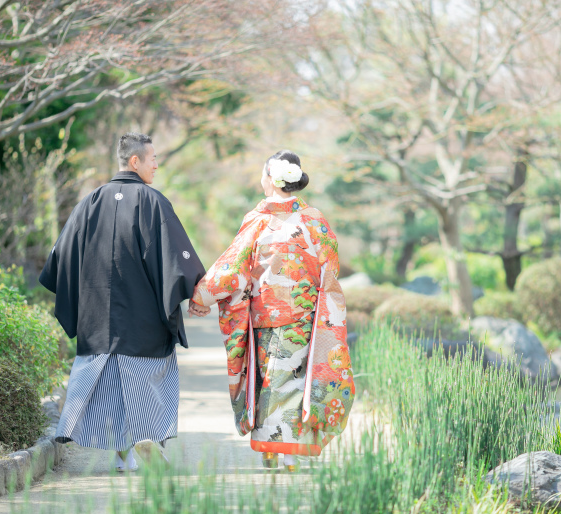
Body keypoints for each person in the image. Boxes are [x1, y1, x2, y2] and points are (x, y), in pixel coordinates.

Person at [40, 132, 206, 472]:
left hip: (97, 316)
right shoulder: (153, 201)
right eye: (153, 158)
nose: (157, 164)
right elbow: (177, 258)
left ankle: (123, 452)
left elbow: (60, 258)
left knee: (108, 385)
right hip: (143, 316)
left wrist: (82, 298)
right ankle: (145, 442)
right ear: (135, 161)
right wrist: (196, 291)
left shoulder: (89, 202)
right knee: (145, 379)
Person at [188, 150, 354, 472]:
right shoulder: (315, 220)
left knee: (268, 381)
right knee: (295, 380)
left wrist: (202, 297)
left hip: (266, 315)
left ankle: (273, 449)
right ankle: (289, 453)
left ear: (270, 179)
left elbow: (233, 267)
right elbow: (330, 267)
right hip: (306, 317)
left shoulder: (258, 220)